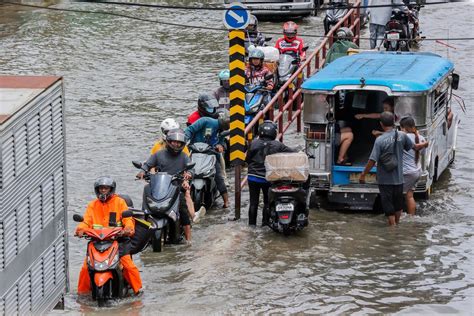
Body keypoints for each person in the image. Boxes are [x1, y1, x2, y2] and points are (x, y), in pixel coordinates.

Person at [76, 176, 142, 295]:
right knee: (86, 268)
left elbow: (128, 220)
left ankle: (137, 292)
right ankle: (83, 295)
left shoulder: (120, 202)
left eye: (106, 188)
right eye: (101, 188)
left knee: (128, 266)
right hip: (97, 243)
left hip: (119, 242)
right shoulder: (92, 205)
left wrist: (127, 229)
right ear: (97, 190)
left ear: (111, 189)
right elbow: (86, 221)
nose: (103, 191)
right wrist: (80, 230)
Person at [359, 112, 425, 226]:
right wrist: (426, 143)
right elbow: (414, 147)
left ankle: (393, 226)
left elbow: (372, 160)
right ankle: (397, 224)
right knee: (398, 202)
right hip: (399, 178)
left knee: (387, 202)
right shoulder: (402, 135)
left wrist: (363, 174)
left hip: (385, 179)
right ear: (394, 123)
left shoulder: (379, 140)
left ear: (381, 124)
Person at [137, 129, 197, 241]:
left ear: (182, 144)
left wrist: (189, 173)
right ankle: (142, 232)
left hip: (176, 188)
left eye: (179, 143)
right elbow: (147, 165)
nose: (176, 144)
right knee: (146, 195)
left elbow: (191, 168)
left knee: (183, 210)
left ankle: (189, 240)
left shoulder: (184, 156)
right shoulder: (158, 155)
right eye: (174, 142)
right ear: (169, 142)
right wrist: (142, 171)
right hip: (159, 187)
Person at [149, 118, 203, 222]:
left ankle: (192, 215)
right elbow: (151, 163)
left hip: (178, 177)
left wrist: (185, 179)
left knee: (186, 192)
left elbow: (186, 165)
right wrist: (151, 175)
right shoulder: (157, 147)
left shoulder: (182, 148)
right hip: (161, 179)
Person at [246, 121, 293, 226]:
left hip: (252, 178)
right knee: (267, 203)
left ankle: (252, 225)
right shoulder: (278, 145)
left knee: (253, 203)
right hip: (268, 178)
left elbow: (247, 159)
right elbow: (292, 153)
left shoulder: (253, 143)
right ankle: (265, 224)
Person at [185, 111, 230, 208]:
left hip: (210, 155)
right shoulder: (205, 121)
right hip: (195, 152)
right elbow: (190, 130)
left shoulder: (221, 132)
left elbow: (222, 143)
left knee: (218, 176)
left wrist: (220, 146)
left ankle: (226, 200)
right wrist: (183, 141)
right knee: (184, 173)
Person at [400, 116, 428, 215]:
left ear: (403, 128)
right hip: (417, 171)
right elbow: (423, 153)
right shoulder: (421, 138)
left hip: (407, 172)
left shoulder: (403, 138)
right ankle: (411, 217)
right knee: (409, 195)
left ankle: (396, 219)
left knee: (397, 195)